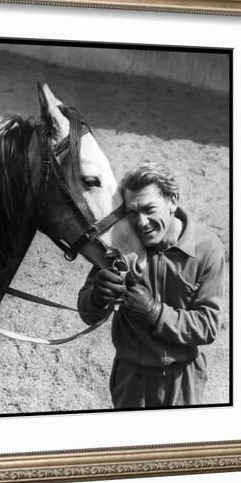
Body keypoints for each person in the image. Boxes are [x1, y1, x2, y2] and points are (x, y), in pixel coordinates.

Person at [78, 161, 226, 408]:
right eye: (132, 213)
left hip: (183, 381)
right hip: (131, 380)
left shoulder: (207, 249)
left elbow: (208, 326)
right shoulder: (122, 242)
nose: (141, 222)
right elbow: (87, 313)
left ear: (173, 201)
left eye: (149, 209)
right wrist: (96, 296)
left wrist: (155, 313)